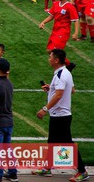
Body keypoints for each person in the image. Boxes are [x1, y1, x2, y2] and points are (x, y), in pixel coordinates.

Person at [34, 49, 88, 181]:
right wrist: (51, 88)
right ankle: (47, 168)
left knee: (67, 144)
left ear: (56, 60)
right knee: (52, 142)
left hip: (60, 116)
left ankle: (82, 171)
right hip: (60, 115)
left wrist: (44, 109)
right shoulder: (66, 73)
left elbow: (59, 95)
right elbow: (72, 90)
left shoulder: (61, 75)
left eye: (50, 57)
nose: (49, 59)